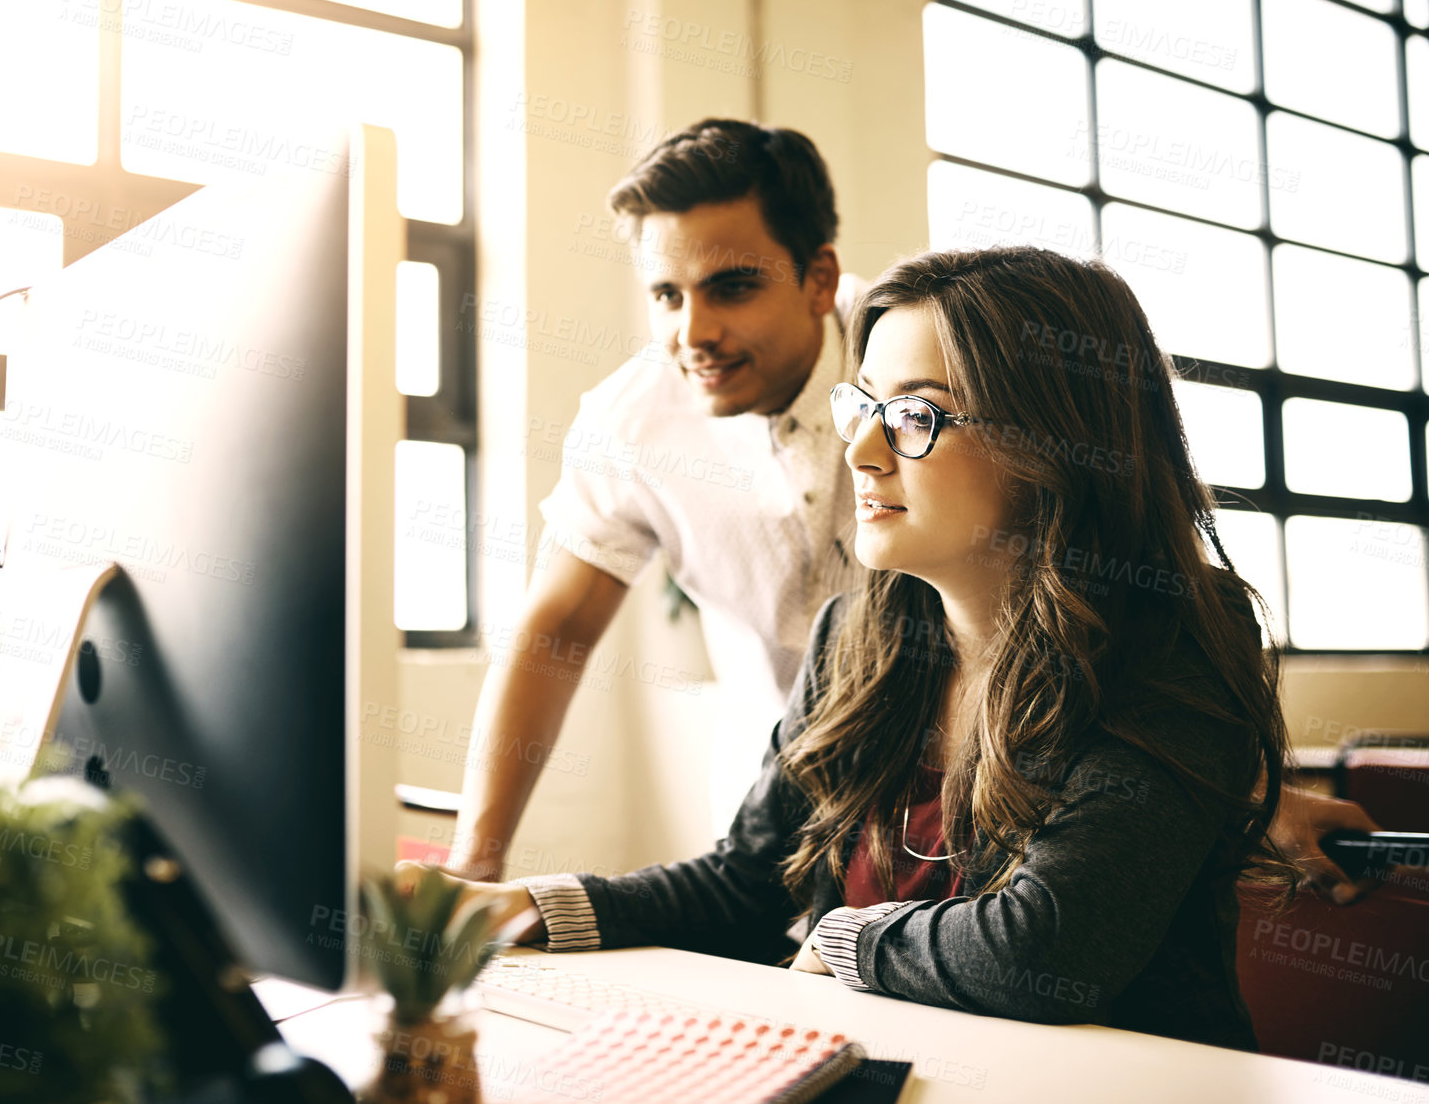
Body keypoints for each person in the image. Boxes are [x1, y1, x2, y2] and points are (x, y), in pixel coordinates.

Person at [444, 117, 1378, 905]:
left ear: (819, 279)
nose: (694, 333)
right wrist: (478, 872)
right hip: (829, 791)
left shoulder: (923, 344)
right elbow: (556, 625)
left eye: (732, 286)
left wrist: (1231, 783)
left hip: (1036, 781)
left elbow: (1107, 556)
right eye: (665, 296)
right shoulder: (628, 422)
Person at [421, 246, 1311, 1048]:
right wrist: (537, 907)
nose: (863, 447)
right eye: (864, 404)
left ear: (1059, 442)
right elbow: (748, 883)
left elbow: (1053, 946)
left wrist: (843, 936)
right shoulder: (862, 634)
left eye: (918, 416)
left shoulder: (1175, 632)